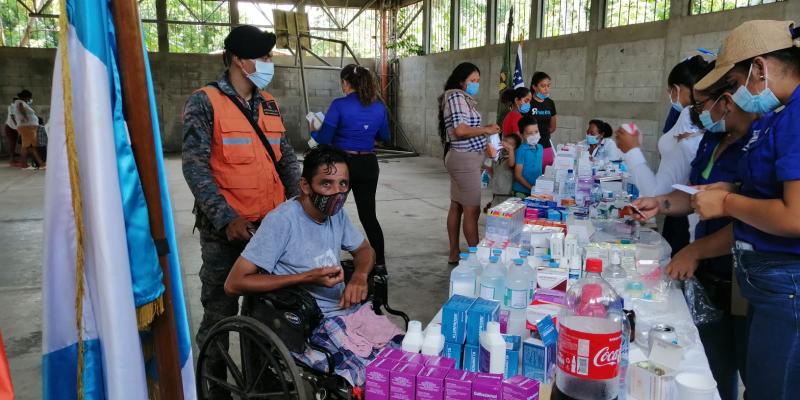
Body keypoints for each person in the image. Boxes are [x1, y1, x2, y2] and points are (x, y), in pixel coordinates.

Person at [641, 20, 800, 399]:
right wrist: (727, 191)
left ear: (759, 69)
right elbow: (760, 193)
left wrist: (727, 202)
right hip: (764, 279)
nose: (735, 95)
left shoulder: (794, 117)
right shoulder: (779, 118)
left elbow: (794, 217)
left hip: (785, 283)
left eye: (734, 83)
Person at [181, 24, 301, 397]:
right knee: (220, 314)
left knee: (265, 314)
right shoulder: (205, 102)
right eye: (262, 56)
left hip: (270, 230)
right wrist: (225, 218)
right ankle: (213, 389)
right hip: (227, 234)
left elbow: (286, 159)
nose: (268, 63)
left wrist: (301, 203)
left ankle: (260, 386)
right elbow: (195, 168)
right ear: (238, 59)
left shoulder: (269, 104)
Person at [224, 145, 401, 386]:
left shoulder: (336, 215)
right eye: (326, 184)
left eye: (343, 184)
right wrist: (306, 277)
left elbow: (364, 250)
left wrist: (360, 276)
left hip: (348, 313)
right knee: (375, 379)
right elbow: (234, 283)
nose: (337, 192)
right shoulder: (282, 221)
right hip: (311, 322)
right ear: (306, 185)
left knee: (404, 360)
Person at [631, 75, 759, 400]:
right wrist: (659, 203)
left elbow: (754, 218)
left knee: (755, 375)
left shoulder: (757, 144)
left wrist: (696, 250)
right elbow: (693, 195)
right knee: (711, 367)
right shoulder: (712, 140)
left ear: (725, 102)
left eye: (701, 105)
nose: (696, 113)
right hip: (708, 274)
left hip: (744, 281)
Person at [616, 56, 710, 254]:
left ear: (676, 89)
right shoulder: (697, 123)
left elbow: (655, 191)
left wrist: (632, 151)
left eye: (670, 91)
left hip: (685, 222)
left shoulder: (688, 116)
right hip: (687, 213)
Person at [311, 64, 390, 269]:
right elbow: (385, 136)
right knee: (368, 216)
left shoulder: (339, 105)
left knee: (329, 211)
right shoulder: (378, 107)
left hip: (342, 166)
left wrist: (314, 130)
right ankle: (380, 264)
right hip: (369, 164)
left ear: (346, 83)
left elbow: (324, 139)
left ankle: (323, 261)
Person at [438, 62, 500, 265]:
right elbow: (460, 130)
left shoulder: (460, 98)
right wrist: (486, 130)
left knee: (457, 205)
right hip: (465, 160)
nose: (475, 84)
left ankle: (454, 252)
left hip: (462, 158)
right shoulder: (456, 97)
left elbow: (465, 128)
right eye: (472, 80)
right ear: (461, 80)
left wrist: (485, 129)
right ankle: (477, 258)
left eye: (477, 81)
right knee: (472, 210)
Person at [527, 71, 557, 169]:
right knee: (532, 173)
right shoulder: (528, 103)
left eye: (548, 85)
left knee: (546, 173)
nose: (546, 89)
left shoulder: (550, 103)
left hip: (546, 145)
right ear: (534, 87)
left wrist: (543, 133)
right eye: (543, 86)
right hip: (530, 147)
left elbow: (553, 127)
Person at [12, 90, 45, 170]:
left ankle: (36, 164)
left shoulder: (20, 103)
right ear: (26, 97)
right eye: (29, 97)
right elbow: (21, 108)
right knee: (28, 146)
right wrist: (25, 117)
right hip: (27, 127)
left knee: (28, 146)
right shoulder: (20, 102)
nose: (30, 99)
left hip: (27, 127)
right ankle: (35, 164)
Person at [512, 116, 544, 197]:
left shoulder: (540, 148)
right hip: (521, 191)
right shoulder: (521, 150)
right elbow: (518, 175)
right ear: (521, 135)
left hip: (536, 190)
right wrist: (531, 188)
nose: (534, 135)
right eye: (530, 133)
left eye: (536, 131)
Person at [490, 134, 521, 207]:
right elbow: (490, 167)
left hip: (507, 193)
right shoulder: (499, 155)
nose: (505, 145)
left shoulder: (513, 157)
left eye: (510, 144)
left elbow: (511, 164)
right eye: (504, 141)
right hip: (496, 191)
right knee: (493, 211)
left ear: (515, 147)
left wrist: (510, 149)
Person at [4, 97, 21, 167]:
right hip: (10, 127)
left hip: (15, 128)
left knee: (14, 144)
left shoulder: (17, 108)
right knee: (12, 144)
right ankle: (11, 160)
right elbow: (12, 116)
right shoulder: (11, 107)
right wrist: (17, 125)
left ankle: (13, 159)